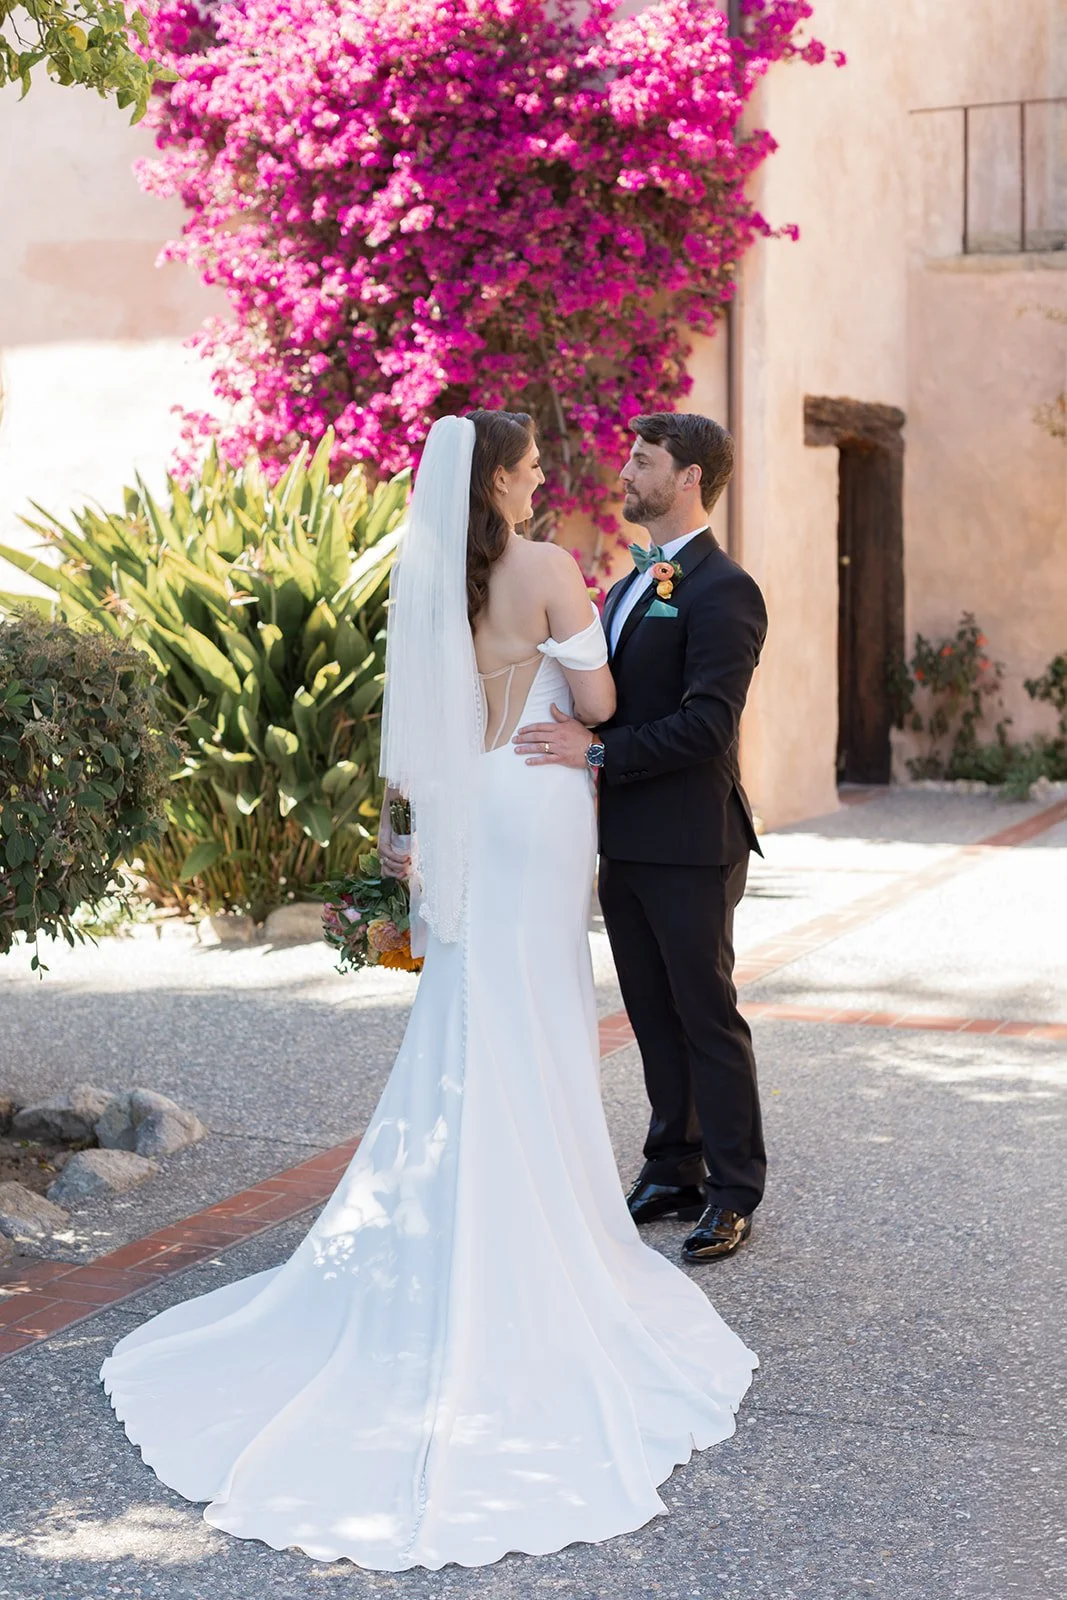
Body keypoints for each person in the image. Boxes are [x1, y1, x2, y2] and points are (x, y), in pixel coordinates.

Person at [100, 411, 756, 1573]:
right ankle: (554, 1219)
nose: (547, 476)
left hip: (468, 813)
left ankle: (461, 1201)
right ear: (498, 481)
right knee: (545, 1005)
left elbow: (415, 737)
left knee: (465, 1006)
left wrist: (405, 836)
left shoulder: (429, 583)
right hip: (541, 801)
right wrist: (581, 718)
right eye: (530, 466)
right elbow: (597, 707)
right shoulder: (551, 570)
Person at [514, 412, 768, 1264]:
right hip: (624, 837)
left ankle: (734, 1192)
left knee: (706, 1017)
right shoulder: (630, 585)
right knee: (653, 1017)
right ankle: (672, 1167)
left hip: (694, 840)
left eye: (642, 459)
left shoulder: (724, 590)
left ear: (688, 477)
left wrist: (597, 751)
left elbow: (707, 727)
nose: (624, 472)